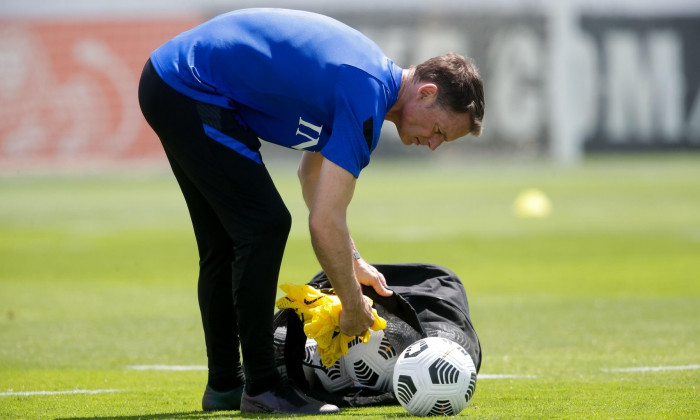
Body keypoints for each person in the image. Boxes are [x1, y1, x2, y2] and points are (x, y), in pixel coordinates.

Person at [138, 8, 484, 415]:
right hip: (189, 85)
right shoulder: (367, 95)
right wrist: (354, 306)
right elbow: (323, 222)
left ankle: (226, 387)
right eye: (439, 131)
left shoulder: (370, 83)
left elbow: (310, 178)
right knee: (264, 225)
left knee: (225, 241)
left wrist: (353, 262)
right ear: (425, 93)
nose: (433, 145)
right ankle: (263, 387)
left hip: (172, 80)